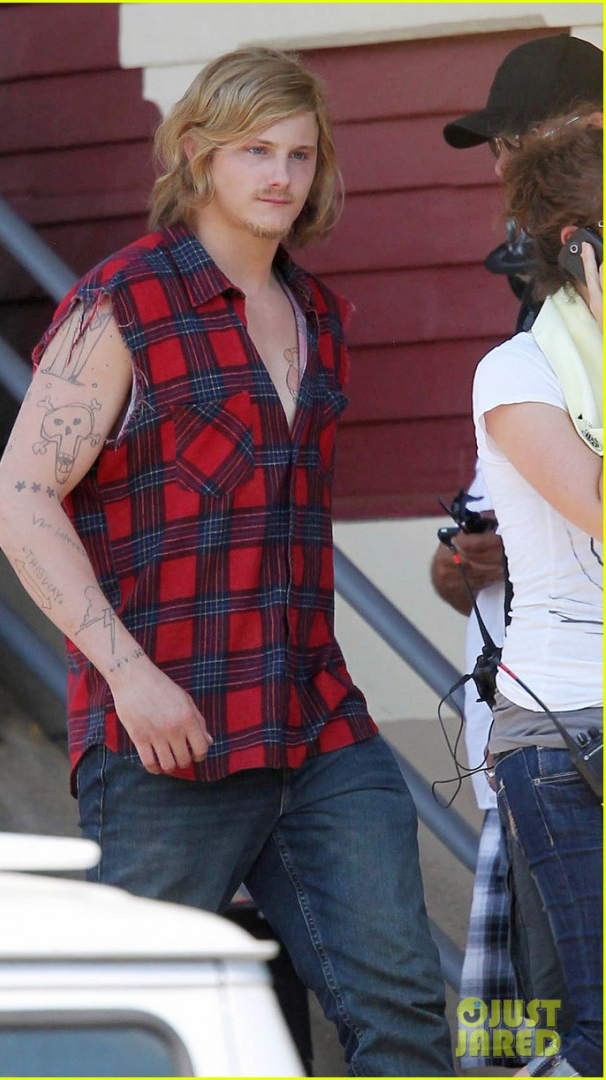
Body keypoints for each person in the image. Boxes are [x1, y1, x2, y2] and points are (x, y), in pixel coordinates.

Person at [0, 47, 453, 1076]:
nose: (280, 175)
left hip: (316, 722)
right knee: (123, 1038)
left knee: (404, 1014)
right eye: (254, 151)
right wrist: (128, 676)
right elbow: (19, 500)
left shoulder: (318, 316)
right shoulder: (123, 302)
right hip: (169, 736)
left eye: (299, 154)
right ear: (197, 153)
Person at [432, 34, 602, 1071]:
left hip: (546, 721)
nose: (500, 169)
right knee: (547, 1022)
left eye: (511, 144)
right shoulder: (523, 350)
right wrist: (462, 559)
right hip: (551, 733)